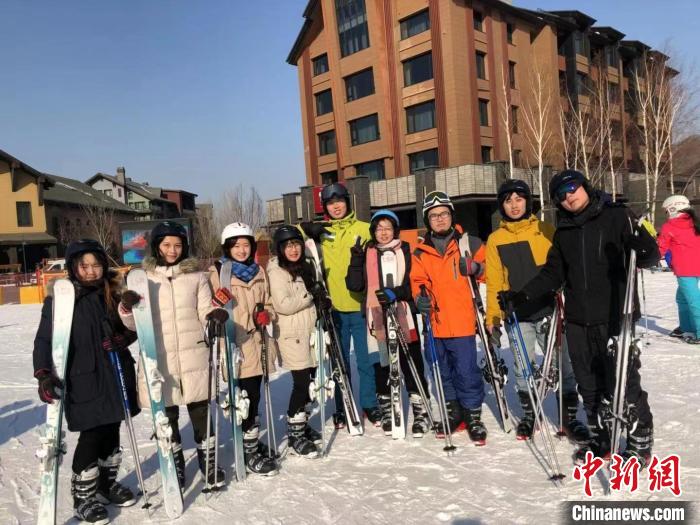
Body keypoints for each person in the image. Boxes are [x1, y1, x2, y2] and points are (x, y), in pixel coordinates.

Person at [500, 170, 659, 466]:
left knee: (623, 381)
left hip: (615, 315)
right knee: (588, 383)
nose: (568, 197)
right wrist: (521, 296)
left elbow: (649, 256)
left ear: (585, 186)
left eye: (572, 188)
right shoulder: (564, 232)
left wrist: (647, 248)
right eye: (561, 195)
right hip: (578, 320)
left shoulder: (617, 216)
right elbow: (553, 274)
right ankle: (601, 435)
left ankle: (640, 439)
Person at [34, 239, 139, 524]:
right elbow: (44, 339)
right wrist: (44, 374)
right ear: (72, 267)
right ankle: (84, 496)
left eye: (96, 265)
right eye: (84, 266)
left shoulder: (112, 293)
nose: (91, 271)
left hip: (115, 373)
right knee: (91, 436)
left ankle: (105, 484)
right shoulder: (60, 300)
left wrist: (123, 338)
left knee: (112, 429)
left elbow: (131, 328)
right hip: (83, 377)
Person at [119, 221, 228, 489]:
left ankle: (209, 461)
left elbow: (204, 311)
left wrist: (214, 315)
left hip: (194, 355)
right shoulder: (143, 279)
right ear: (157, 246)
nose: (172, 250)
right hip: (160, 356)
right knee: (166, 416)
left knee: (201, 412)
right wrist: (127, 308)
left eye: (178, 245)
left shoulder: (197, 277)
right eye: (166, 245)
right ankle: (175, 463)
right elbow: (134, 325)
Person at [485, 180, 587, 442]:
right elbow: (495, 281)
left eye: (519, 199)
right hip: (517, 315)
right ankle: (531, 415)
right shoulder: (495, 239)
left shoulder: (544, 230)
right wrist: (493, 316)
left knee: (562, 365)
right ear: (502, 206)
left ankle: (569, 417)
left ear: (528, 202)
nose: (514, 205)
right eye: (508, 201)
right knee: (523, 369)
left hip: (548, 310)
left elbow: (562, 268)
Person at [299, 183, 380, 429]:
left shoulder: (364, 229)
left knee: (366, 361)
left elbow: (385, 240)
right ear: (325, 207)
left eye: (340, 201)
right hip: (334, 309)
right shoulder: (321, 232)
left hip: (361, 307)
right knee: (340, 363)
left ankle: (369, 404)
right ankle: (343, 406)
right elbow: (287, 238)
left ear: (348, 202)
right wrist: (306, 228)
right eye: (330, 203)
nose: (336, 206)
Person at [346, 210, 432, 438]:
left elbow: (414, 283)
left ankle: (420, 409)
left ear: (395, 230)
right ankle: (387, 408)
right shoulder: (368, 252)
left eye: (388, 228)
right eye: (379, 228)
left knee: (410, 361)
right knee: (381, 364)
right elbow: (355, 286)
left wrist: (396, 293)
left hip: (403, 311)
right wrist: (356, 260)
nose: (383, 233)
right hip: (376, 315)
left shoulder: (406, 250)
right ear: (373, 232)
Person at [410, 191, 488, 444]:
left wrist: (476, 268)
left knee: (466, 371)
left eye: (444, 214)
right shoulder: (420, 252)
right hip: (435, 323)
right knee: (442, 371)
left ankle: (473, 415)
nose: (440, 219)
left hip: (463, 321)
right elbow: (417, 282)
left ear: (452, 215)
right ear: (428, 221)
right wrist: (419, 298)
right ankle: (454, 412)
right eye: (434, 216)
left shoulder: (469, 243)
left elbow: (492, 271)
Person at [209, 222, 279, 476]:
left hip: (259, 342)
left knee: (254, 395)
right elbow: (211, 307)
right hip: (236, 344)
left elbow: (269, 301)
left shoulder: (259, 271)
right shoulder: (218, 272)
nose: (241, 250)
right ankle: (248, 448)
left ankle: (251, 441)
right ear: (227, 248)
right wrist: (217, 308)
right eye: (236, 245)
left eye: (246, 245)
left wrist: (267, 314)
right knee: (243, 398)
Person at [267, 225, 325, 457]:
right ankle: (295, 434)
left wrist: (321, 299)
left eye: (296, 245)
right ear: (280, 249)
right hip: (292, 336)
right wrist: (310, 295)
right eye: (288, 246)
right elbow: (283, 305)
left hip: (308, 332)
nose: (293, 250)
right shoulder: (277, 272)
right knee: (301, 385)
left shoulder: (302, 267)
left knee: (311, 381)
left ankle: (302, 423)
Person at [658, 195, 700, 345]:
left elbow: (661, 248)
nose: (666, 214)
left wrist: (644, 259)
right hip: (696, 267)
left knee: (694, 300)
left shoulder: (669, 226)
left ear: (673, 209)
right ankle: (686, 327)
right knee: (682, 298)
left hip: (685, 269)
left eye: (666, 211)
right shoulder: (695, 222)